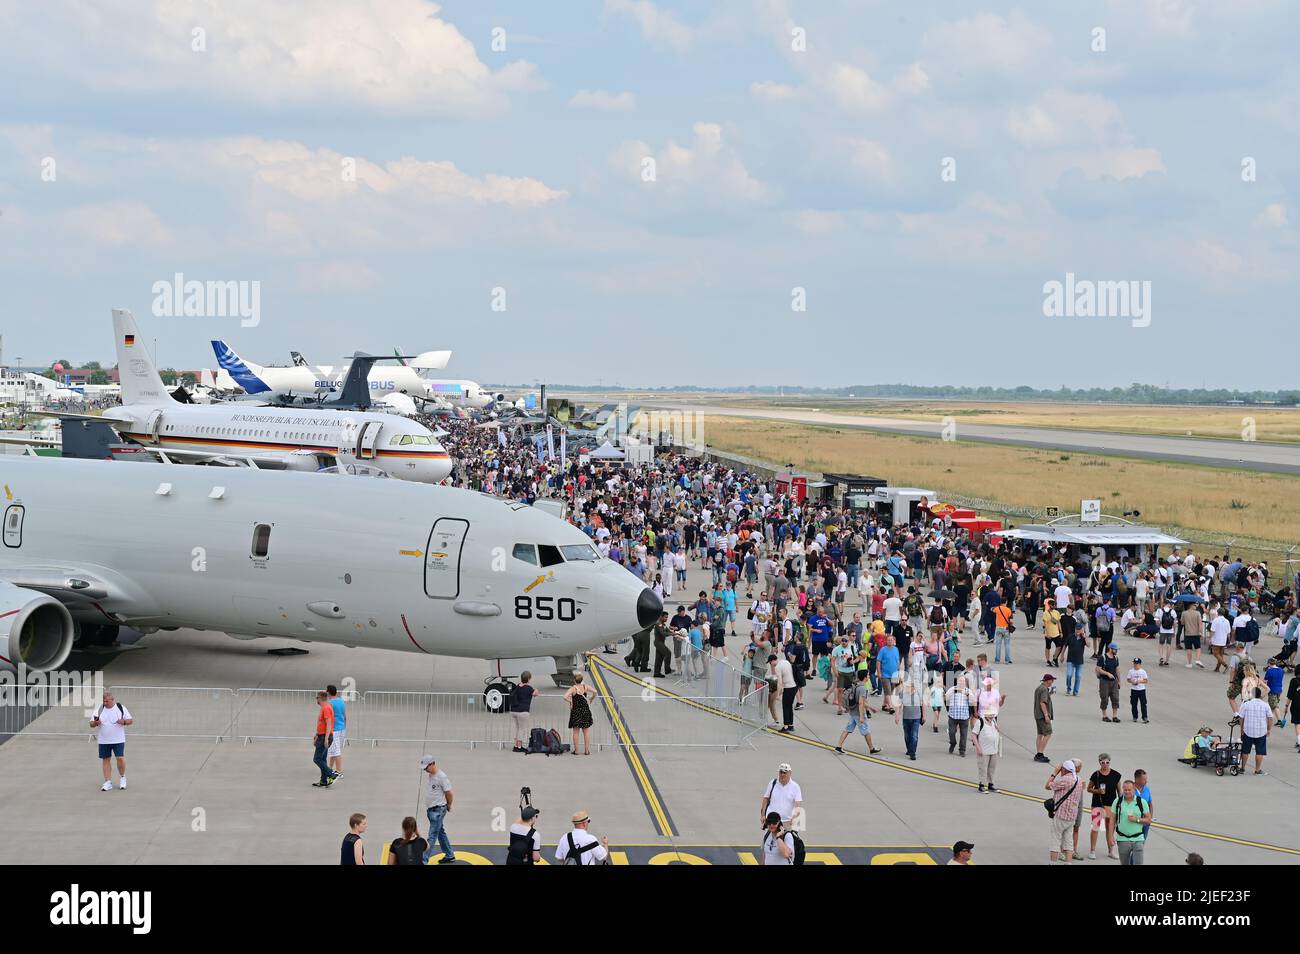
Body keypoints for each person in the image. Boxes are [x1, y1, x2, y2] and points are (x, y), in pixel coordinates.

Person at [90, 691, 133, 792]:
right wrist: (96, 723)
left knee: (120, 758)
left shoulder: (120, 708)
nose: (105, 703)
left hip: (118, 739)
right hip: (103, 740)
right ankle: (108, 781)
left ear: (112, 700)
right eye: (104, 701)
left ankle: (122, 777)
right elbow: (91, 723)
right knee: (106, 760)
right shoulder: (99, 710)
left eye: (107, 701)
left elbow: (130, 720)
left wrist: (124, 722)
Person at [419, 755, 457, 864]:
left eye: (426, 767)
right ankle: (449, 855)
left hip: (438, 810)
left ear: (433, 763)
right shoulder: (431, 774)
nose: (425, 770)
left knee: (432, 836)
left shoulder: (442, 777)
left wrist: (449, 804)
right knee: (440, 832)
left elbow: (449, 792)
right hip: (432, 810)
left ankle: (423, 860)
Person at [1106, 780, 1152, 866]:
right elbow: (1112, 821)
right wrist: (1110, 837)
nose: (1127, 792)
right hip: (1122, 839)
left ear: (1134, 790)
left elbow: (1148, 820)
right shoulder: (1117, 802)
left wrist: (1137, 819)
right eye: (1125, 790)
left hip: (1138, 838)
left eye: (1129, 790)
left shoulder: (1141, 802)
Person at [834, 670, 881, 754]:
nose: (869, 676)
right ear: (865, 677)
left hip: (852, 712)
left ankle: (839, 746)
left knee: (847, 729)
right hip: (858, 713)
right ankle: (871, 748)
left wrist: (871, 708)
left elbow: (861, 701)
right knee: (866, 731)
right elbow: (860, 703)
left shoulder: (855, 685)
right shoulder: (862, 688)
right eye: (868, 675)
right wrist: (862, 716)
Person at [1046, 760, 1082, 864]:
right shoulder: (1078, 780)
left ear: (1064, 769)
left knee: (1055, 840)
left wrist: (1054, 773)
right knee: (1068, 842)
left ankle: (1053, 863)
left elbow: (1048, 785)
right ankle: (1068, 862)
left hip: (1061, 815)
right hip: (1072, 817)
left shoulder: (1064, 780)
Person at [1086, 753, 1121, 860]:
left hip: (1112, 805)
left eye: (1107, 762)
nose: (1105, 764)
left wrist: (1120, 804)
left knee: (1110, 829)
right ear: (1099, 763)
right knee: (1096, 827)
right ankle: (1092, 850)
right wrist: (1097, 791)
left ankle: (1111, 850)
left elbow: (1120, 792)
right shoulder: (1095, 775)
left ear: (1110, 762)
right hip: (1098, 804)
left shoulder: (1116, 775)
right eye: (1103, 762)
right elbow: (1089, 788)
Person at [1238, 687, 1273, 775]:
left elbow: (1241, 718)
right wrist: (1269, 729)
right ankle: (1257, 770)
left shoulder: (1246, 704)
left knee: (1245, 750)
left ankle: (1242, 768)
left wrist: (1241, 729)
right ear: (1260, 694)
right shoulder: (1265, 705)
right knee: (1260, 751)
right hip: (1261, 731)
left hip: (1248, 730)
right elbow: (1270, 718)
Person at [760, 763, 803, 830]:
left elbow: (798, 804)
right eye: (781, 772)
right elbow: (765, 799)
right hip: (772, 820)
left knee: (787, 839)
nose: (782, 774)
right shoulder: (772, 783)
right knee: (770, 840)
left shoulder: (795, 786)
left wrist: (795, 817)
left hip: (787, 821)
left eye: (785, 772)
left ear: (790, 773)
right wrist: (763, 815)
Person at [564, 672, 598, 755]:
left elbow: (564, 697)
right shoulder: (585, 687)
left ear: (574, 681)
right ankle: (586, 750)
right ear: (581, 680)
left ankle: (576, 750)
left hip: (576, 711)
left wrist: (571, 701)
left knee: (576, 732)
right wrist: (591, 699)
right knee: (586, 731)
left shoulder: (573, 689)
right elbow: (595, 691)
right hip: (585, 711)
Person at [311, 691, 339, 788]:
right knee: (322, 758)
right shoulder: (324, 708)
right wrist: (316, 735)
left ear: (321, 698)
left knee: (317, 759)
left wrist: (326, 738)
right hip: (321, 735)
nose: (316, 699)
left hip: (324, 737)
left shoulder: (326, 708)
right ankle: (323, 781)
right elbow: (321, 723)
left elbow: (329, 723)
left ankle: (331, 774)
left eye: (317, 697)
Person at [896, 673, 926, 760]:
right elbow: (898, 704)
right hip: (906, 718)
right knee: (907, 735)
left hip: (916, 718)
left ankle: (913, 752)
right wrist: (897, 716)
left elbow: (923, 704)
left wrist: (924, 716)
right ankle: (909, 749)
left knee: (914, 735)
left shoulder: (918, 694)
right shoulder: (903, 693)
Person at [972, 711, 1001, 793]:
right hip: (984, 750)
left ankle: (990, 784)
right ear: (985, 714)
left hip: (993, 749)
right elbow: (974, 735)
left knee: (992, 767)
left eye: (992, 715)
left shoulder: (993, 721)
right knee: (983, 768)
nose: (991, 716)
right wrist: (978, 748)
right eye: (989, 715)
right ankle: (981, 785)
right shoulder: (980, 722)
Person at [510, 671, 538, 753]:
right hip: (523, 711)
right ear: (529, 679)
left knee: (517, 728)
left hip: (514, 710)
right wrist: (536, 689)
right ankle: (519, 746)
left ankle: (515, 745)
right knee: (522, 729)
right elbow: (536, 694)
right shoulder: (529, 688)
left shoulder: (517, 686)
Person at [945, 676, 973, 756]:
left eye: (963, 681)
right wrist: (952, 692)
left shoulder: (968, 691)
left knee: (964, 734)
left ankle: (962, 750)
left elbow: (973, 700)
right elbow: (946, 697)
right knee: (952, 732)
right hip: (953, 716)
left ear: (965, 683)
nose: (961, 682)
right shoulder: (952, 689)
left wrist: (968, 695)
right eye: (960, 681)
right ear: (957, 681)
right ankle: (953, 743)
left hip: (964, 716)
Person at [1096, 643, 1121, 723]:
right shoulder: (1102, 658)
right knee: (1104, 698)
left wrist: (1119, 681)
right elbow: (1098, 669)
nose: (1116, 651)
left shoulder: (1116, 658)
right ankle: (1104, 716)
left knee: (1115, 698)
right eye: (1115, 649)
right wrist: (1107, 673)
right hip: (1104, 681)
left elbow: (1117, 669)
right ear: (1110, 649)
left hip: (1114, 681)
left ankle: (1115, 716)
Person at [326, 684, 347, 778]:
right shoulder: (342, 701)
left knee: (336, 751)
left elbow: (328, 718)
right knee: (334, 750)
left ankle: (339, 771)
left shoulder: (330, 703)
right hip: (342, 728)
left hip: (334, 729)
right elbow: (345, 716)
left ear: (328, 693)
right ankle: (329, 768)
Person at [1033, 673, 1055, 763]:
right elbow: (1042, 702)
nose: (1052, 682)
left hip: (1037, 714)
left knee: (1040, 734)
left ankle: (1038, 752)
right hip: (1042, 716)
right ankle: (1040, 754)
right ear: (1047, 680)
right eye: (1051, 680)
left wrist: (1050, 693)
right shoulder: (1044, 690)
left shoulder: (1039, 688)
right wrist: (1046, 715)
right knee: (1048, 733)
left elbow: (1041, 699)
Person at [1181, 603, 1206, 668]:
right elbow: (1200, 624)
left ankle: (1189, 663)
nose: (1196, 606)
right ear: (1191, 605)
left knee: (1189, 648)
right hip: (1196, 633)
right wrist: (1201, 633)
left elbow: (1182, 622)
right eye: (1195, 605)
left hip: (1187, 633)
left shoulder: (1184, 613)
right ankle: (1197, 659)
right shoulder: (1198, 613)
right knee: (1198, 648)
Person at [1133, 768, 1153, 841]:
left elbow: (1150, 804)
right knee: (1133, 843)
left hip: (1145, 822)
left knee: (1142, 842)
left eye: (1146, 779)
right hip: (1133, 823)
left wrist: (1150, 817)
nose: (1146, 781)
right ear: (1137, 780)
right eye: (1144, 779)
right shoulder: (1129, 790)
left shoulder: (1147, 789)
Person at [1127, 657, 1150, 723]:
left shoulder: (1143, 671)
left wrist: (1139, 681)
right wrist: (1132, 681)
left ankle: (1144, 717)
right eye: (1134, 663)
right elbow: (1128, 679)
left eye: (1137, 664)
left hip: (1141, 690)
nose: (1135, 665)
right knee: (1133, 704)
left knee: (1143, 704)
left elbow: (1146, 680)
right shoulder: (1131, 671)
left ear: (1140, 664)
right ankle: (1135, 716)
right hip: (1134, 690)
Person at [652, 612, 674, 678]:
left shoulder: (663, 624)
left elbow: (668, 631)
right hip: (658, 642)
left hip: (660, 642)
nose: (666, 618)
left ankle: (657, 673)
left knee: (659, 658)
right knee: (668, 653)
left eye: (667, 617)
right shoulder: (659, 624)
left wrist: (676, 633)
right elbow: (663, 633)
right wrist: (671, 634)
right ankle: (667, 670)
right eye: (665, 617)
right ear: (661, 617)